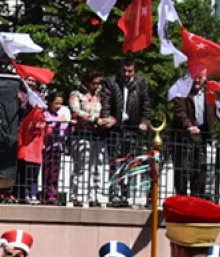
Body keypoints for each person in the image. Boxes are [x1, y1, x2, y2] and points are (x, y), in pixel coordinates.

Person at [99, 59, 150, 207]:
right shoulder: (111, 81)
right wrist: (107, 117)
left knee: (129, 162)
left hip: (133, 127)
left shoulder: (140, 82)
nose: (127, 74)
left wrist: (145, 122)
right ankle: (114, 193)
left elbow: (146, 103)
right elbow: (106, 100)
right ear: (120, 70)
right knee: (115, 161)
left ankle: (125, 194)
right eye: (124, 71)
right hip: (116, 126)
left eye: (130, 71)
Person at [171, 75, 217, 198]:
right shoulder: (182, 91)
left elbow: (216, 111)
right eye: (194, 76)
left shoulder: (209, 93)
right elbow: (180, 111)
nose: (197, 80)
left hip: (201, 136)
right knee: (183, 169)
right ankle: (182, 197)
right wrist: (188, 126)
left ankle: (198, 197)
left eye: (200, 77)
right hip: (185, 136)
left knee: (200, 168)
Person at [69, 71, 106, 206]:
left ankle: (94, 196)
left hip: (97, 135)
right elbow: (76, 112)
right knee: (81, 166)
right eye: (93, 83)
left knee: (96, 166)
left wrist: (106, 120)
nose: (96, 86)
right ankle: (77, 196)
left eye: (98, 83)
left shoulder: (100, 96)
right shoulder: (76, 95)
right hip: (81, 134)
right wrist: (94, 119)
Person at [41, 93, 71, 204]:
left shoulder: (60, 115)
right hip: (48, 147)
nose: (58, 106)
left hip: (58, 147)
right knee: (47, 172)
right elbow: (46, 128)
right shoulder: (45, 114)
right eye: (56, 103)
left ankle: (53, 194)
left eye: (60, 104)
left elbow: (65, 130)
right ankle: (46, 194)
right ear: (50, 103)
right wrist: (56, 123)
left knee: (55, 172)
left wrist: (67, 123)